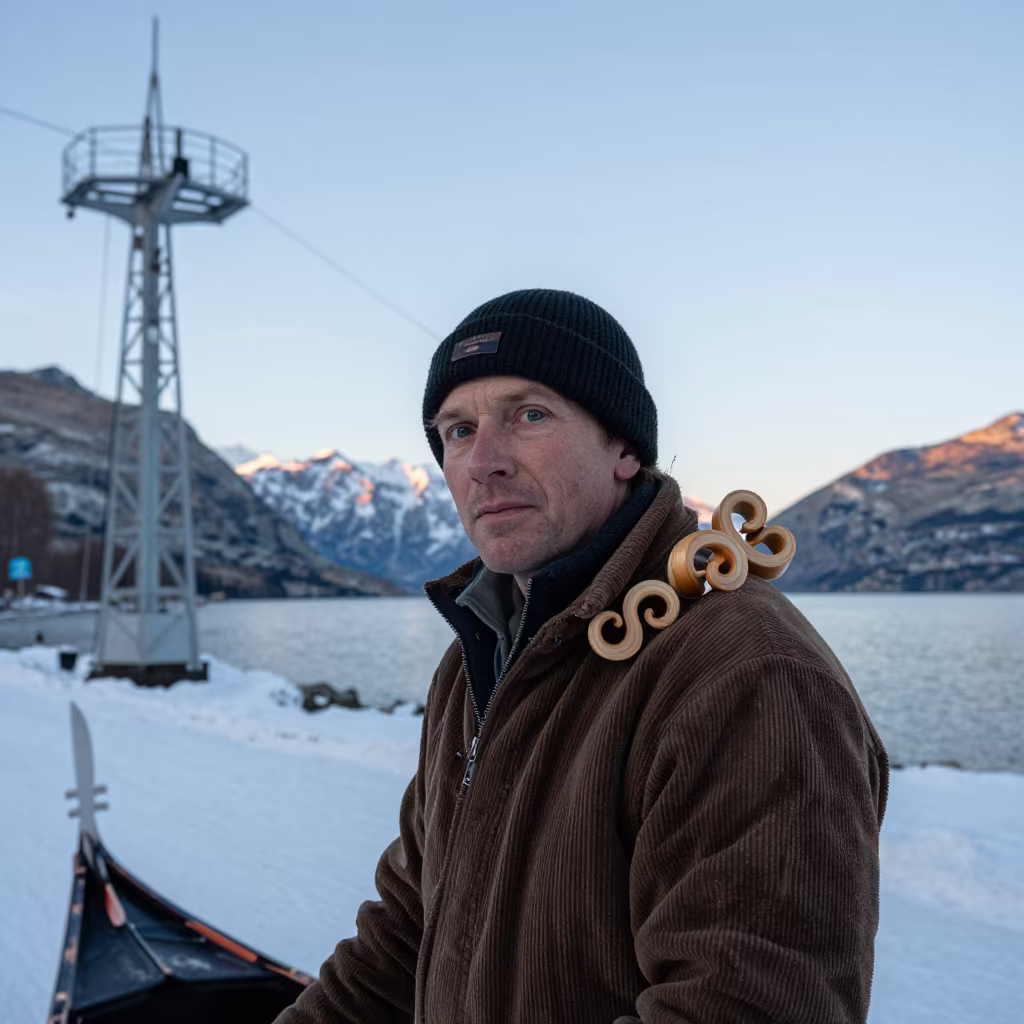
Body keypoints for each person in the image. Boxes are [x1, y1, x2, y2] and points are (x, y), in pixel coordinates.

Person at [275, 289, 889, 1024]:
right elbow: (404, 936)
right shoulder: (480, 656)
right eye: (458, 430)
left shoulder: (746, 672)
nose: (484, 463)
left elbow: (742, 1007)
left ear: (625, 446)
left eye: (529, 415)